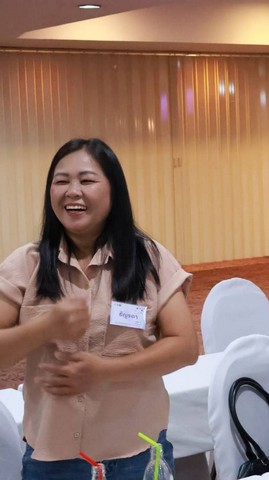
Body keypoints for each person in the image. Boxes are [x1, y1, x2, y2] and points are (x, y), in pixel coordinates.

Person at [0, 138, 198, 479]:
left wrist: (103, 370)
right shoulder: (27, 264)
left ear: (114, 191)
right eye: (61, 181)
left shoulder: (148, 259)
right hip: (54, 461)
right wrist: (43, 329)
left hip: (137, 454)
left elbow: (185, 347)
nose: (72, 191)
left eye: (87, 180)